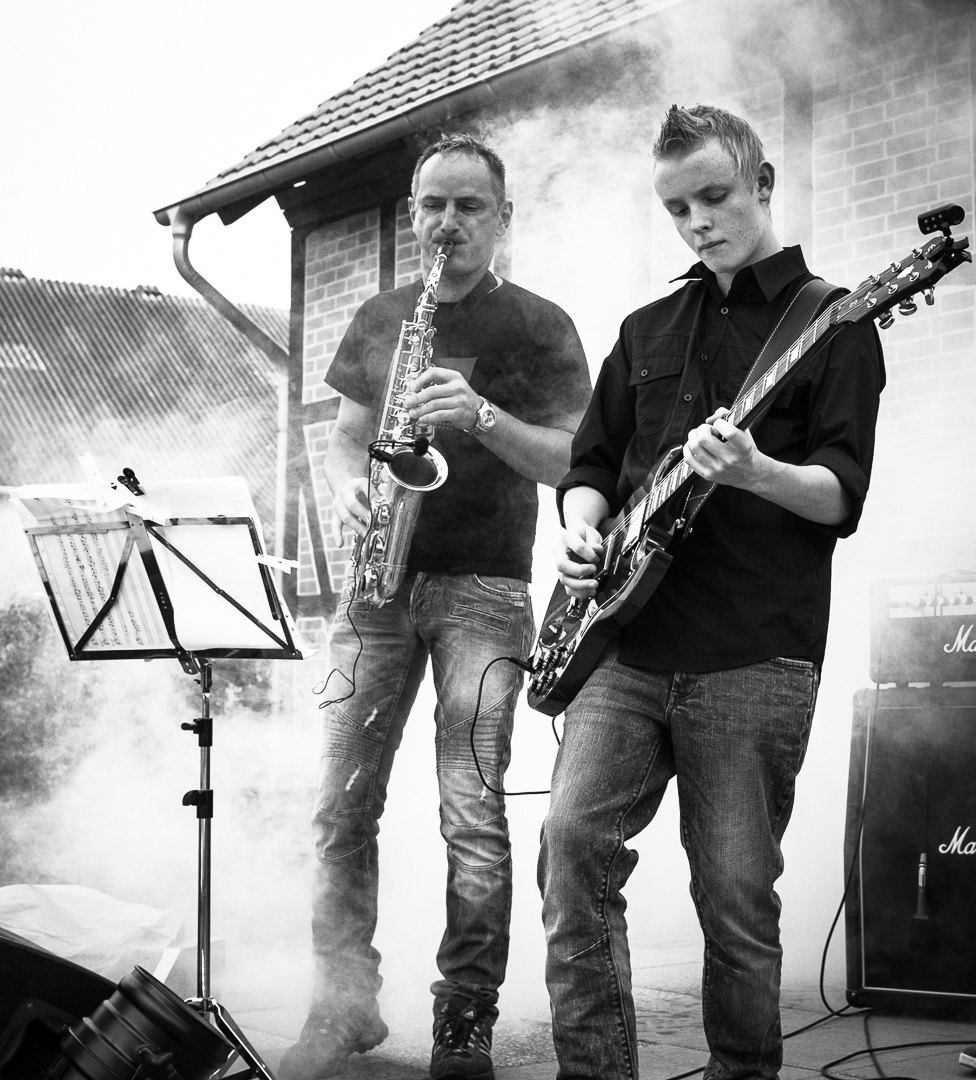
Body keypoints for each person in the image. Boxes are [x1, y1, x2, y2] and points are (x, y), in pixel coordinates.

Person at [538, 105, 885, 1080]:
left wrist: (755, 472)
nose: (696, 221)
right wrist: (579, 530)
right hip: (624, 643)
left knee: (734, 901)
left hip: (752, 653)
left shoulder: (835, 322)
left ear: (763, 184)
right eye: (677, 206)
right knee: (571, 845)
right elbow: (591, 466)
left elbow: (840, 495)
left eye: (715, 196)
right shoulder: (646, 328)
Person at [279, 132, 592, 1080]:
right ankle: (343, 1006)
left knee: (472, 814)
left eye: (468, 205)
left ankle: (464, 1020)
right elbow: (347, 440)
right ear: (413, 214)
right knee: (339, 808)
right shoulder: (382, 316)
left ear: (503, 217)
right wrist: (349, 488)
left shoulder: (539, 324)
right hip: (376, 588)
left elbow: (575, 462)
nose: (446, 222)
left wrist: (482, 416)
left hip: (484, 592)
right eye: (432, 205)